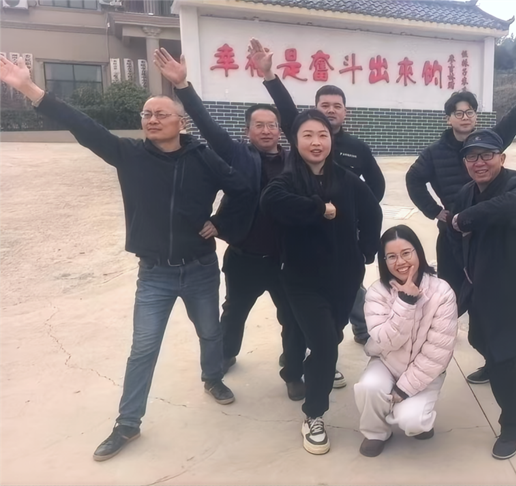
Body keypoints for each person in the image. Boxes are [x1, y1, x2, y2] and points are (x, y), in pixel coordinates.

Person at [0, 55, 255, 461]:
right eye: (147, 114)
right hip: (154, 274)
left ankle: (212, 377)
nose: (152, 120)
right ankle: (128, 424)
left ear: (180, 123)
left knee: (210, 333)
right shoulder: (128, 154)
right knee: (143, 349)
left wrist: (219, 223)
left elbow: (243, 190)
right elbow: (82, 125)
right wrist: (29, 88)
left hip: (200, 269)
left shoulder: (203, 157)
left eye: (161, 114)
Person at [153, 48, 297, 380]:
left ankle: (292, 370)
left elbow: (294, 117)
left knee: (291, 315)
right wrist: (182, 86)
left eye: (272, 125)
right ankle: (226, 355)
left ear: (280, 130)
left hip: (286, 258)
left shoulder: (294, 160)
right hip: (245, 257)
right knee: (233, 312)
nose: (266, 131)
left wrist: (269, 76)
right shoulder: (236, 154)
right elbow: (207, 125)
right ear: (248, 131)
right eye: (258, 126)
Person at [249, 39, 382, 390]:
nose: (317, 140)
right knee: (297, 323)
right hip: (299, 257)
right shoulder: (299, 154)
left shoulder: (355, 150)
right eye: (325, 106)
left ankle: (323, 359)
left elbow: (374, 195)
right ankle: (296, 370)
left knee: (332, 323)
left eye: (337, 106)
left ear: (345, 112)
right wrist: (269, 76)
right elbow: (288, 113)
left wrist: (363, 242)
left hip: (341, 254)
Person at [406, 78, 516, 385]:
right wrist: (436, 212)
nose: (465, 117)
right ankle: (464, 351)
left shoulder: (485, 143)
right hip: (454, 235)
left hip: (491, 233)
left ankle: (505, 361)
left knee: (497, 297)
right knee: (456, 296)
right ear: (448, 118)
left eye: (470, 111)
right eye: (458, 112)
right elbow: (413, 179)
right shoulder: (434, 153)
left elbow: (508, 127)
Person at [260, 109, 382, 455]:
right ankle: (313, 414)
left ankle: (315, 369)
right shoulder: (286, 181)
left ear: (331, 140)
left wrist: (366, 251)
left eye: (323, 135)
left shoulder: (347, 179)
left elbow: (373, 212)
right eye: (308, 135)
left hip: (344, 279)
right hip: (302, 281)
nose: (316, 142)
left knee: (329, 338)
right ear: (295, 140)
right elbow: (271, 203)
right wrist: (319, 208)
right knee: (327, 345)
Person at [448, 129, 516, 460]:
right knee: (479, 340)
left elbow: (511, 207)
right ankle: (504, 362)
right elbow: (452, 231)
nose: (479, 162)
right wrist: (463, 266)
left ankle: (512, 426)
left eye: (487, 155)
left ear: (502, 158)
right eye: (471, 156)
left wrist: (466, 218)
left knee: (500, 357)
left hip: (512, 288)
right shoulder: (465, 192)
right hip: (479, 284)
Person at [354, 225, 458, 457]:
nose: (400, 262)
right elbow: (386, 341)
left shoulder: (442, 292)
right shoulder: (377, 292)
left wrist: (404, 389)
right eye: (391, 256)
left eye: (406, 253)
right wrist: (405, 302)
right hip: (387, 361)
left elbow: (437, 352)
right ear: (384, 261)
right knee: (369, 387)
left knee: (412, 420)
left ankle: (415, 417)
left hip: (426, 371)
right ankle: (376, 433)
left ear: (418, 252)